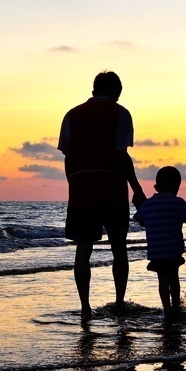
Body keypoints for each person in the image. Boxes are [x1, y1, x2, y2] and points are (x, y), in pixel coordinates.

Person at [57, 71, 146, 322]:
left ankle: (85, 307)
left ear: (94, 88)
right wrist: (136, 188)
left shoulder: (71, 115)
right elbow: (121, 155)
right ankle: (119, 302)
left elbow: (68, 156)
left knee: (83, 250)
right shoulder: (120, 113)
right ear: (116, 90)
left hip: (82, 190)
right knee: (119, 248)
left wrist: (73, 185)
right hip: (112, 188)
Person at [134, 166, 186, 318]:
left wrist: (139, 204)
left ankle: (166, 309)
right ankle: (175, 306)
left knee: (162, 282)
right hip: (173, 250)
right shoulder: (177, 202)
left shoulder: (148, 204)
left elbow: (141, 221)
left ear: (156, 186)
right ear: (177, 186)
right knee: (174, 280)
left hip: (157, 252)